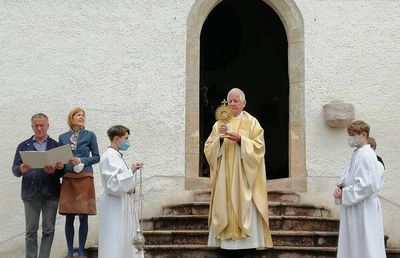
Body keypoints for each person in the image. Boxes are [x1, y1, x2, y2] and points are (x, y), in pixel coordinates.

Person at [204, 88, 273, 250]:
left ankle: (248, 242)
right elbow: (208, 148)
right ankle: (225, 243)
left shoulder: (252, 122)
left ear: (244, 103)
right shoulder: (219, 124)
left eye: (236, 101)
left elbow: (259, 147)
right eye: (230, 101)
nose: (233, 104)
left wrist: (241, 139)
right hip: (224, 176)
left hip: (243, 173)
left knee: (245, 202)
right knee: (223, 203)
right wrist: (219, 140)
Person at [12, 113, 64, 258]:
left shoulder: (56, 146)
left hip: (51, 193)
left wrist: (57, 169)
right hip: (30, 194)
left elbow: (62, 173)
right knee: (31, 231)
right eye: (36, 126)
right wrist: (21, 169)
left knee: (48, 230)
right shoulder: (23, 146)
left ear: (48, 126)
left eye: (42, 125)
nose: (39, 128)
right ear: (32, 127)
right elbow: (15, 170)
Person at [334, 120, 386, 258]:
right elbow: (347, 178)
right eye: (349, 134)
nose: (350, 138)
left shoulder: (367, 155)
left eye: (353, 134)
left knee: (365, 244)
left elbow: (367, 185)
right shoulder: (357, 153)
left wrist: (345, 193)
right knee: (355, 244)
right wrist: (340, 189)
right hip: (355, 206)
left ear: (364, 135)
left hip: (363, 208)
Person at [58, 108, 100, 258]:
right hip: (69, 177)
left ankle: (81, 250)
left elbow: (96, 157)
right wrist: (61, 164)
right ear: (71, 118)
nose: (82, 117)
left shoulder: (90, 135)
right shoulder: (62, 137)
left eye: (83, 115)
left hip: (85, 176)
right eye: (78, 115)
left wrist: (82, 160)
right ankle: (70, 251)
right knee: (69, 215)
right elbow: (60, 158)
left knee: (84, 215)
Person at [98, 125, 144, 258]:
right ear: (117, 139)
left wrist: (131, 186)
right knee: (115, 238)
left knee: (124, 238)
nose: (127, 142)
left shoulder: (116, 156)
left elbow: (121, 181)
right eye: (126, 138)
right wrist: (132, 171)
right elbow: (112, 184)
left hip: (122, 203)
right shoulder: (108, 157)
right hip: (114, 205)